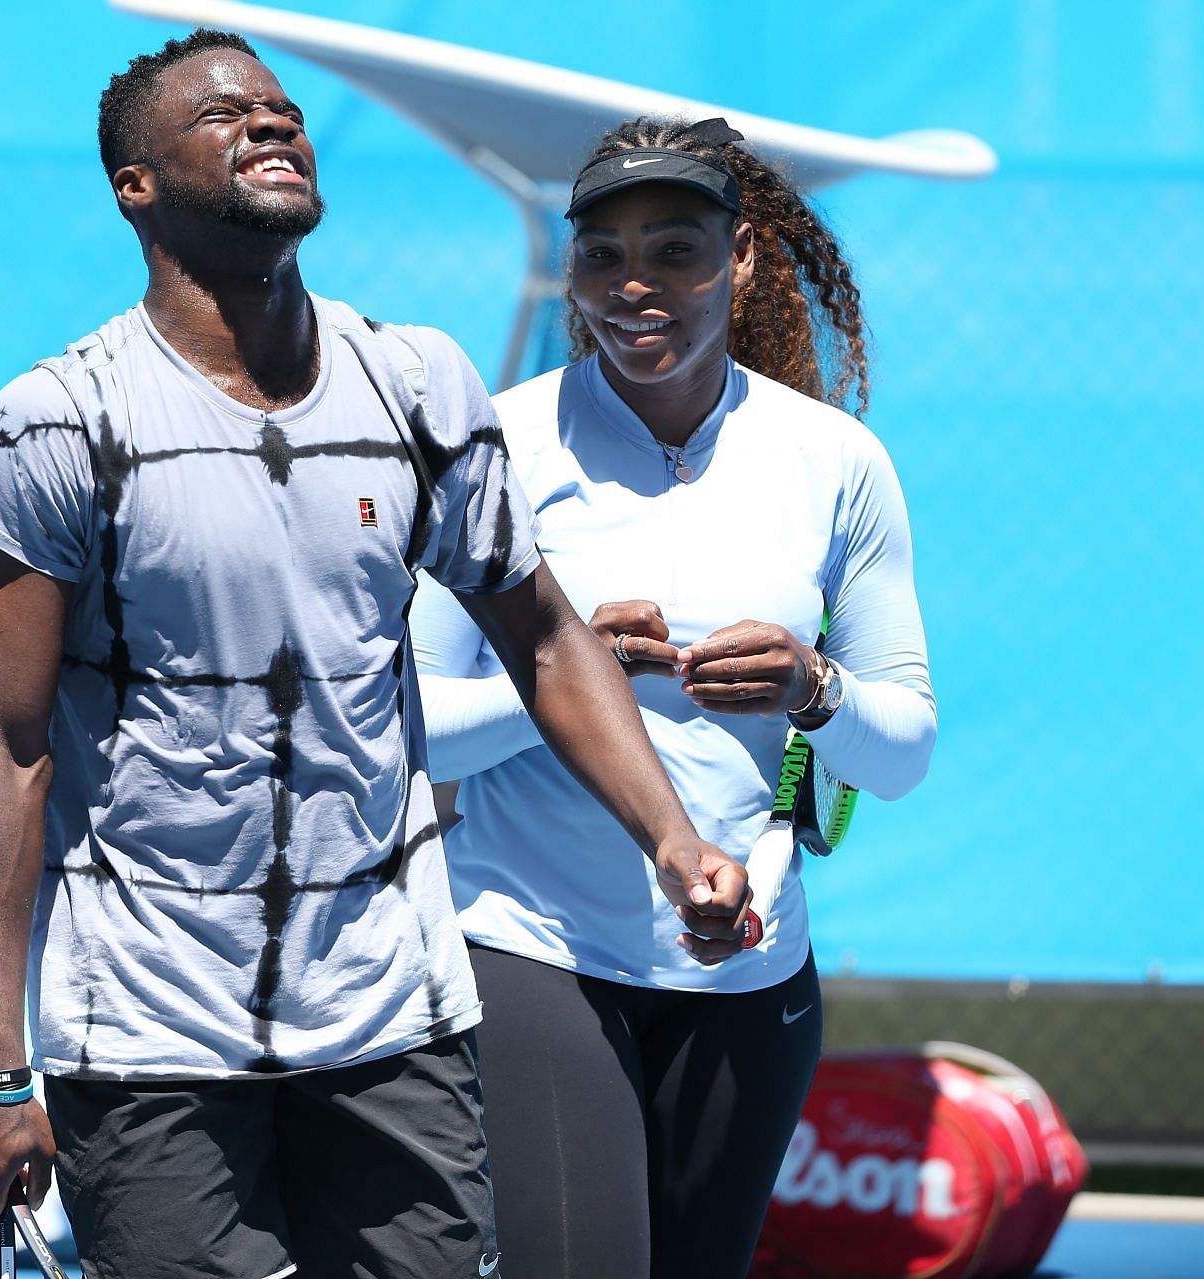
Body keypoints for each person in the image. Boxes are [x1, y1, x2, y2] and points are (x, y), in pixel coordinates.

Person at [0, 34, 751, 1279]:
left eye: (283, 110)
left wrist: (674, 837)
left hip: (392, 1017)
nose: (271, 128)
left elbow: (542, 636)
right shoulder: (53, 422)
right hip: (150, 1031)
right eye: (225, 117)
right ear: (135, 186)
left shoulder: (418, 381)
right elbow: (3, 743)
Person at [410, 116, 937, 1278]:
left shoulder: (835, 460)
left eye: (677, 252)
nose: (634, 286)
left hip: (748, 971)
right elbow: (413, 729)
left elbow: (900, 754)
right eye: (602, 254)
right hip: (529, 947)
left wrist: (816, 687)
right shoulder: (498, 445)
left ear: (742, 258)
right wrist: (560, 676)